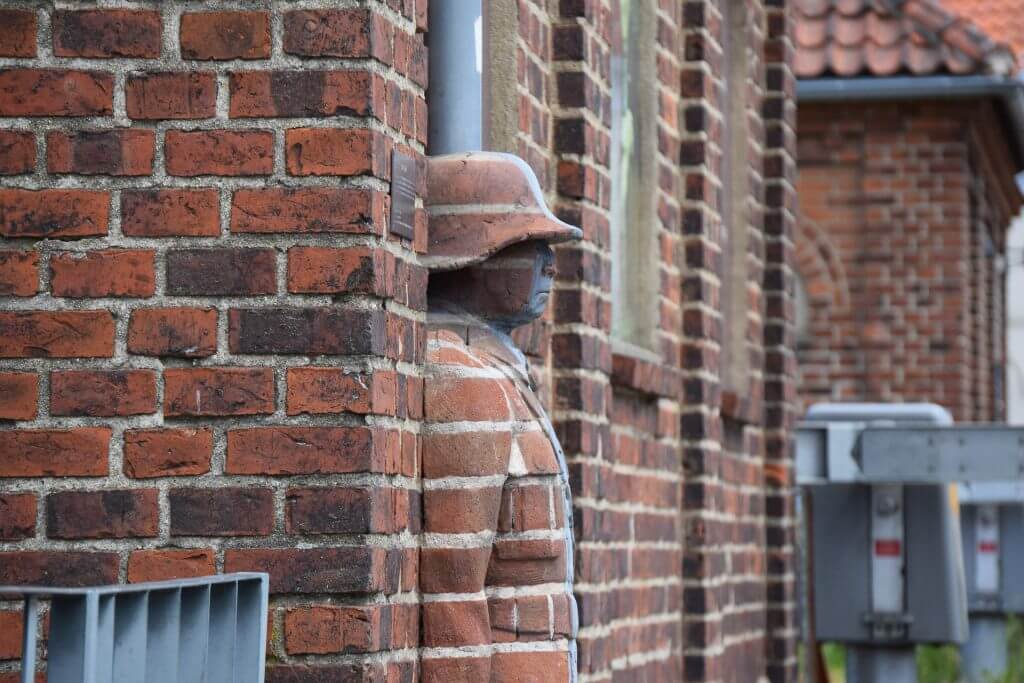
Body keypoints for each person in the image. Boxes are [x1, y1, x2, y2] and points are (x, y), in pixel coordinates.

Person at [419, 152, 582, 682]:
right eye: (529, 246)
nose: (549, 265)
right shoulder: (465, 381)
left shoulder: (501, 372)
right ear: (475, 256)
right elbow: (452, 593)